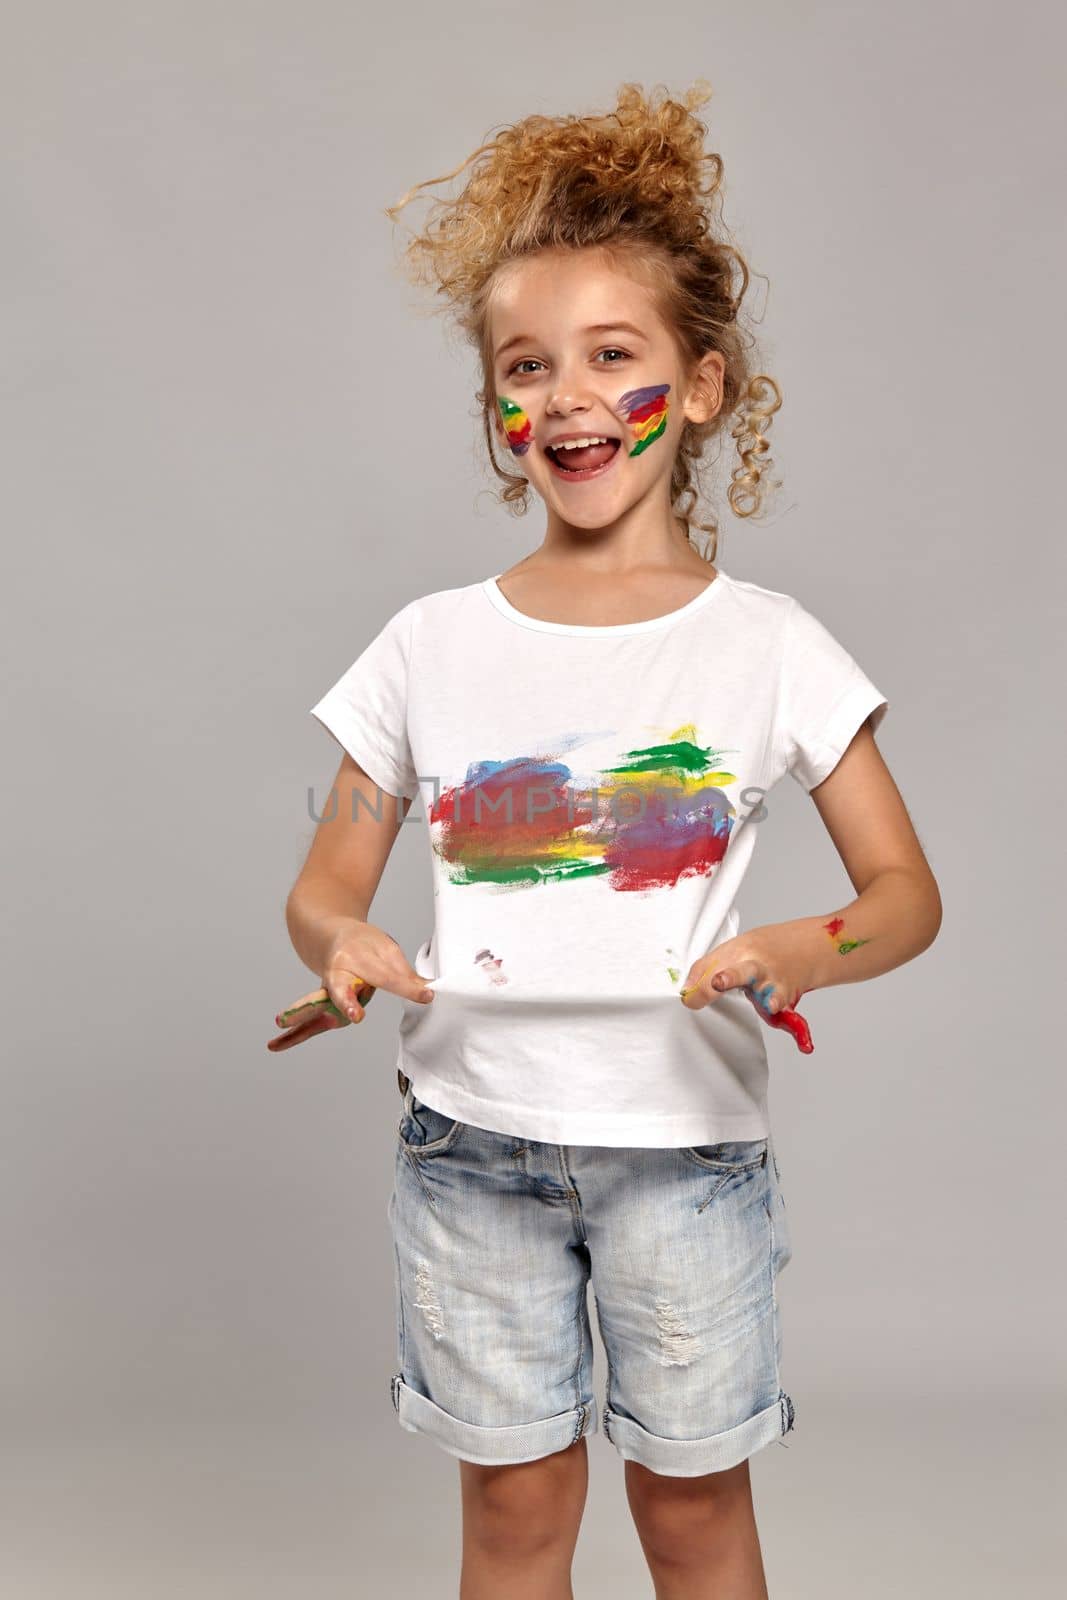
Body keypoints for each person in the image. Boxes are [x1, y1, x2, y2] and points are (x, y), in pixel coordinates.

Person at [275, 80, 942, 1600]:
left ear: (701, 389)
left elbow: (905, 896)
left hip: (686, 1162)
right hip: (470, 1150)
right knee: (513, 1520)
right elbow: (325, 885)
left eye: (613, 357)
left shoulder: (769, 646)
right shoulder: (425, 647)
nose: (568, 397)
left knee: (695, 1523)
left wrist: (795, 950)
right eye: (528, 367)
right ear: (500, 414)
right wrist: (345, 946)